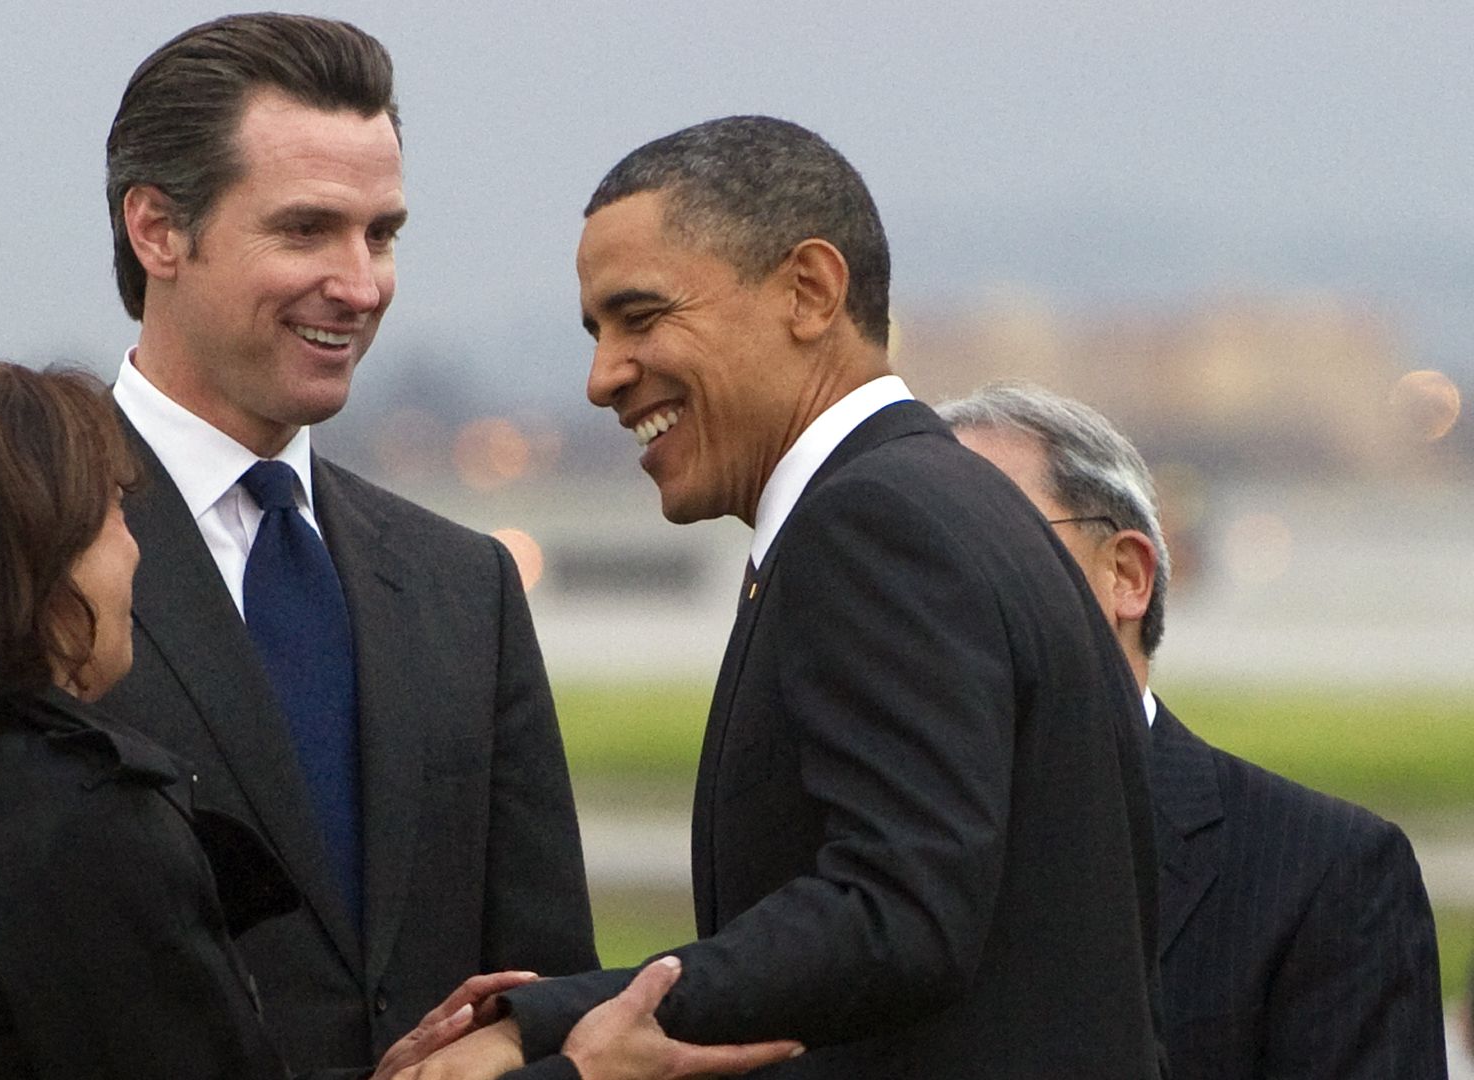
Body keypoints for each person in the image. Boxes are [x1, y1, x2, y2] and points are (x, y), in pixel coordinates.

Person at [0, 344, 790, 1080]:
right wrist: (587, 1064)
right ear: (14, 566)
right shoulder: (74, 826)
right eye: (106, 516)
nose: (135, 552)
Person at [416, 115, 1163, 1078]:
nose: (602, 377)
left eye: (641, 318)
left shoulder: (872, 524)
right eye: (597, 331)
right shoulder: (945, 502)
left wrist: (564, 1044)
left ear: (809, 292)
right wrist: (547, 1016)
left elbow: (896, 913)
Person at [92, 13, 597, 1072]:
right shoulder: (16, 552)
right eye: (308, 229)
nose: (361, 284)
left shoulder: (467, 587)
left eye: (382, 234)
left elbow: (541, 993)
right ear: (157, 231)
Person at [940, 381, 1448, 1079]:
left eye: (985, 543)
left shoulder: (1324, 877)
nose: (928, 592)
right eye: (897, 560)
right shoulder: (825, 856)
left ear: (1126, 575)